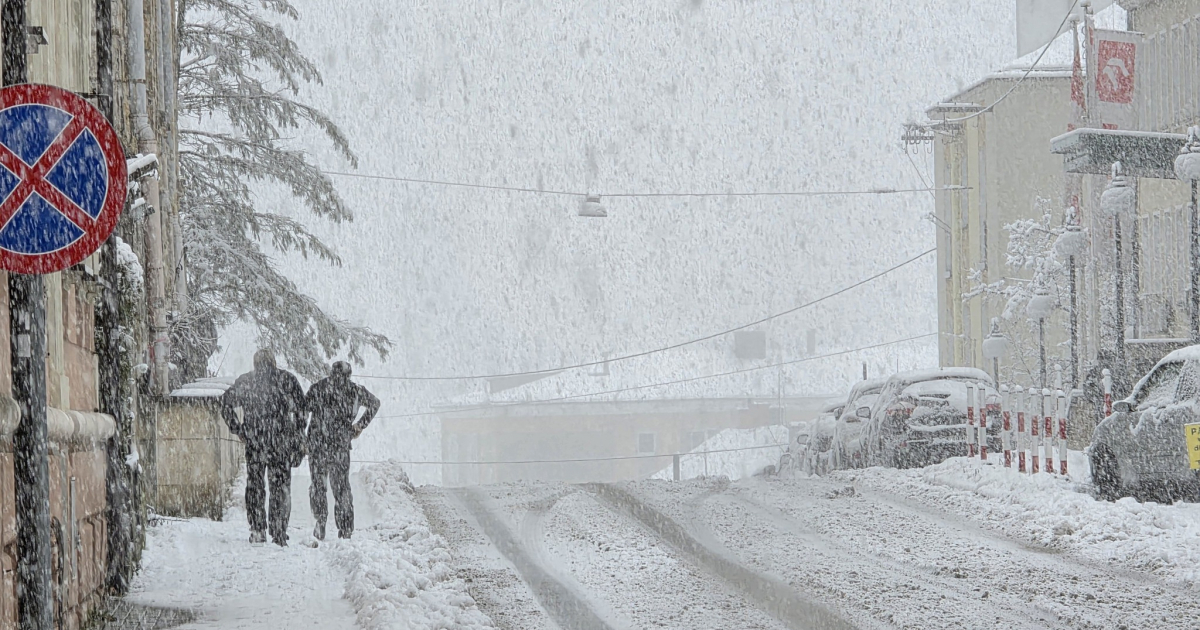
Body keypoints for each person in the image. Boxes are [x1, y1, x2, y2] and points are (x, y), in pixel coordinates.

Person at [221, 349, 307, 546]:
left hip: (255, 440)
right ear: (274, 362)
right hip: (281, 442)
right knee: (281, 486)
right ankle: (278, 530)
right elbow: (302, 410)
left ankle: (258, 528)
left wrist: (239, 429)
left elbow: (225, 404)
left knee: (255, 486)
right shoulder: (287, 380)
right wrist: (296, 432)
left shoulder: (246, 381)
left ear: (255, 363)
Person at [305, 361, 380, 540]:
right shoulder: (355, 390)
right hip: (340, 445)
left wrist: (302, 435)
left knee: (318, 486)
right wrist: (359, 426)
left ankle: (320, 522)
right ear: (349, 374)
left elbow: (303, 410)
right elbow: (375, 404)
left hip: (318, 445)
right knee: (342, 488)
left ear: (332, 373)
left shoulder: (318, 388)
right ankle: (345, 529)